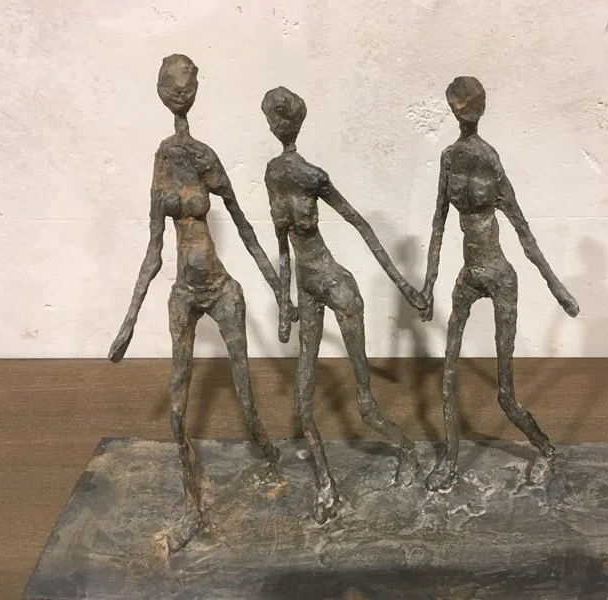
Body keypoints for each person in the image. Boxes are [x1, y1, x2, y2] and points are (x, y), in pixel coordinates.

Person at [109, 55, 294, 550]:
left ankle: (268, 453)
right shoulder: (163, 159)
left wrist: (279, 289)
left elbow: (244, 225)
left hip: (221, 287)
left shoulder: (203, 156)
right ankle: (190, 503)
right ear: (162, 91)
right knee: (178, 396)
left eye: (185, 84)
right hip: (184, 293)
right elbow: (153, 249)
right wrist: (128, 322)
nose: (180, 93)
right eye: (172, 85)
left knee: (245, 395)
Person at [261, 86, 426, 523]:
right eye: (272, 118)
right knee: (302, 405)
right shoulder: (273, 174)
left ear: (289, 123)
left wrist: (403, 285)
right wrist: (284, 302)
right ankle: (326, 486)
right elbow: (282, 249)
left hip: (337, 287)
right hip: (307, 292)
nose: (275, 124)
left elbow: (359, 223)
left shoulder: (313, 176)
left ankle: (408, 450)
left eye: (279, 118)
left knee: (364, 406)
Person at [420, 76, 579, 491]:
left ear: (480, 109)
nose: (463, 111)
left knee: (504, 395)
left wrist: (556, 288)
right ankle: (450, 461)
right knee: (447, 378)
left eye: (469, 105)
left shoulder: (490, 160)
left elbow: (523, 231)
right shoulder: (449, 158)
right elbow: (438, 224)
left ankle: (545, 448)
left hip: (500, 278)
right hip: (469, 277)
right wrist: (428, 285)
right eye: (458, 105)